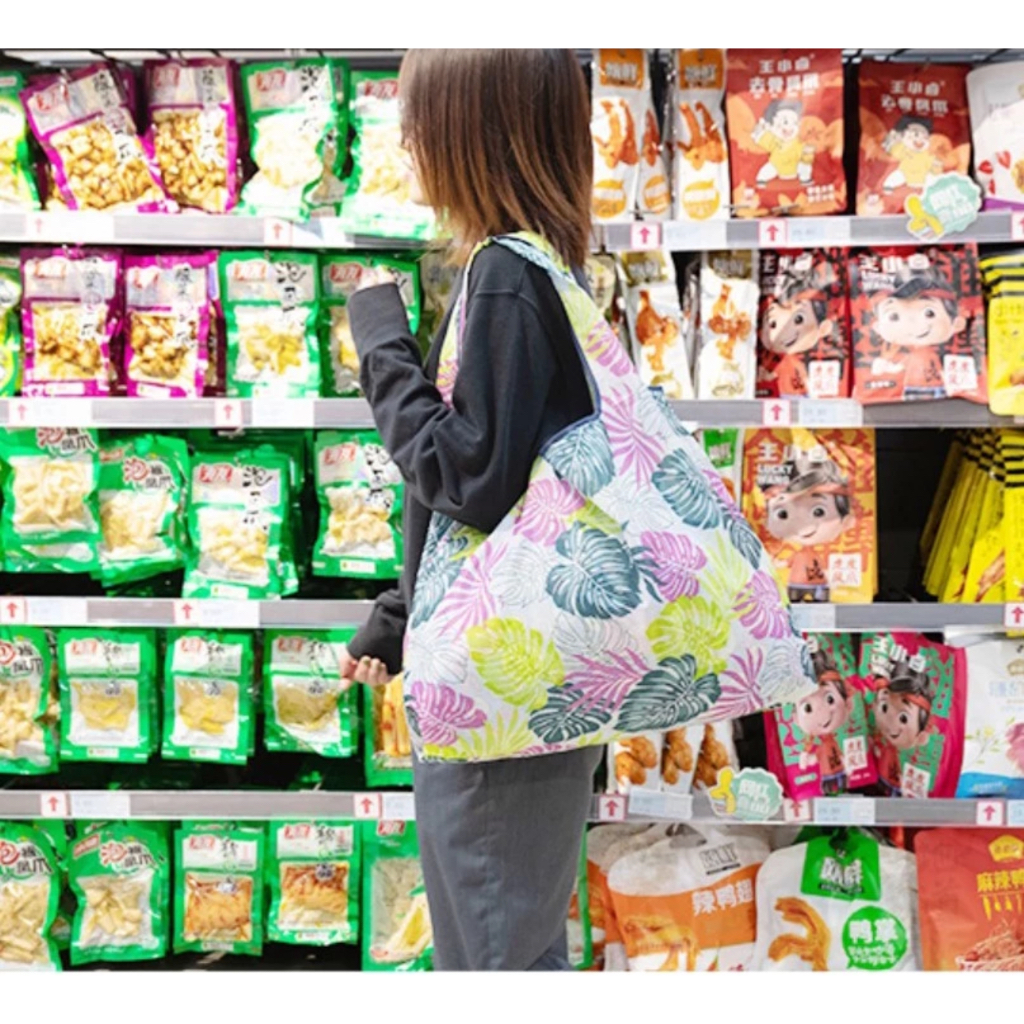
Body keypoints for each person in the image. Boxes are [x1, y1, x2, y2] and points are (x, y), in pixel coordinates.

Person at [336, 49, 599, 972]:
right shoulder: (534, 267)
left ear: (473, 132)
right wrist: (401, 616)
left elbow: (471, 475)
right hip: (518, 678)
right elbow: (504, 496)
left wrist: (381, 343)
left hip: (500, 702)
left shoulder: (504, 277)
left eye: (419, 123)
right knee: (508, 945)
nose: (406, 144)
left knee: (493, 955)